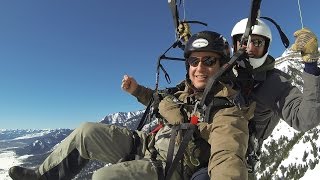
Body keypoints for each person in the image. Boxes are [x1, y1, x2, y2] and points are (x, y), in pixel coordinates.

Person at [8, 31, 255, 180]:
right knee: (86, 132)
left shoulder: (226, 109)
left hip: (171, 168)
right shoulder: (184, 94)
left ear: (222, 64)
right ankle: (43, 176)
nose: (199, 68)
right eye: (194, 61)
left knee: (104, 177)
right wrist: (136, 90)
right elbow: (160, 102)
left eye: (208, 61)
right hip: (148, 145)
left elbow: (228, 155)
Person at [191, 18, 320, 179]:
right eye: (244, 41)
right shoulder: (227, 71)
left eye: (257, 42)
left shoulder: (273, 83)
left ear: (266, 47)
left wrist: (311, 65)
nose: (250, 48)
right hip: (209, 141)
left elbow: (305, 118)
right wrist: (188, 39)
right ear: (235, 45)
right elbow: (202, 66)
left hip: (239, 156)